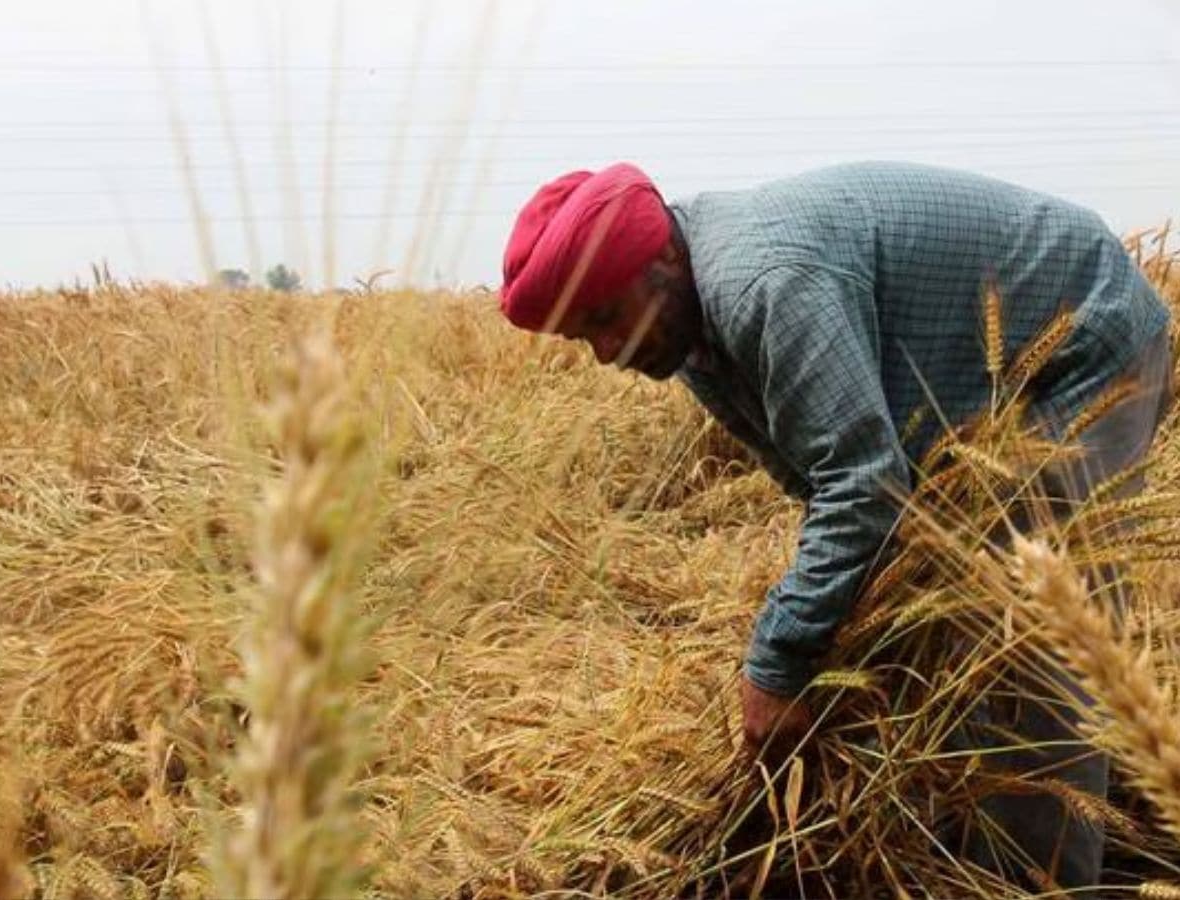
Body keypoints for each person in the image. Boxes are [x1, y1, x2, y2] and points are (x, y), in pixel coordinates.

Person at [497, 160, 1171, 889]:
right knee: (933, 631)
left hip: (1080, 349)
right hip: (984, 388)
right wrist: (843, 628)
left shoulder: (763, 283)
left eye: (604, 317)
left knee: (1027, 645)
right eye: (581, 337)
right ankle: (974, 848)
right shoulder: (683, 319)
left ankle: (1041, 884)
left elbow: (864, 484)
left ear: (660, 253)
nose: (605, 352)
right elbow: (818, 473)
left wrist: (779, 658)